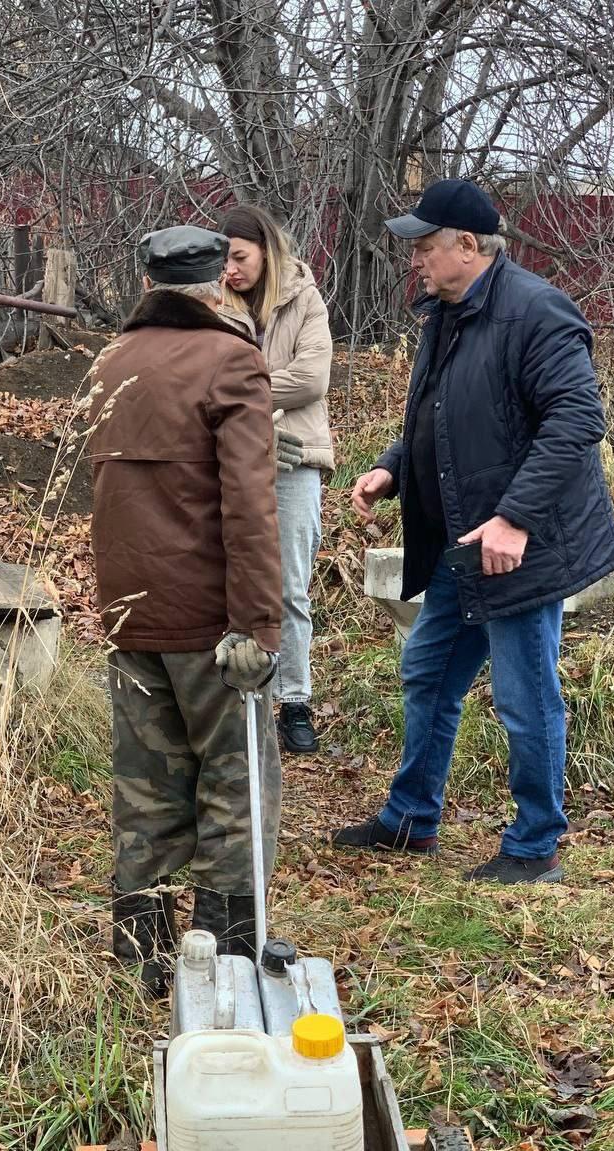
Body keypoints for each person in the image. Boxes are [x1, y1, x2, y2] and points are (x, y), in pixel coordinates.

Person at [333, 178, 614, 885]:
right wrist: (392, 468)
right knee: (428, 675)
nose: (416, 261)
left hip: (520, 548)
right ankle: (411, 820)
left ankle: (535, 848)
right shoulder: (447, 314)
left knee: (526, 700)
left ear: (468, 245)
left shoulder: (537, 311)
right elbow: (440, 418)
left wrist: (515, 518)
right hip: (461, 546)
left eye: (426, 246)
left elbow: (577, 422)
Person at [86, 225, 283, 993]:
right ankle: (228, 965)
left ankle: (142, 962)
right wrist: (258, 624)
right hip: (210, 623)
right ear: (218, 287)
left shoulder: (112, 363)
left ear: (147, 285)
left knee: (143, 790)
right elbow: (251, 511)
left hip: (130, 617)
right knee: (232, 788)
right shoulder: (231, 361)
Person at [218, 205, 334, 755]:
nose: (231, 268)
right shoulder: (215, 305)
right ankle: (237, 693)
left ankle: (294, 702)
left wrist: (242, 392)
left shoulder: (305, 298)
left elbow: (312, 379)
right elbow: (202, 380)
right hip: (227, 460)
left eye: (240, 256)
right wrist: (258, 392)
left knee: (288, 585)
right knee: (227, 575)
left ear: (266, 249)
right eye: (223, 258)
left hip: (297, 459)